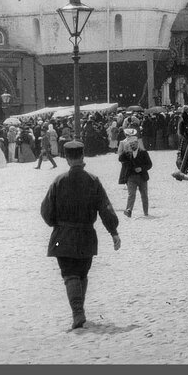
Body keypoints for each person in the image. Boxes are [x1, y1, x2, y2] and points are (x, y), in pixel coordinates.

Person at [39, 141, 122, 330]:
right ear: (83, 156)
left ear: (66, 158)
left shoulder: (58, 181)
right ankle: (79, 310)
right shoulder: (93, 180)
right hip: (87, 235)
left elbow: (46, 211)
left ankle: (77, 313)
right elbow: (106, 209)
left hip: (64, 236)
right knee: (82, 274)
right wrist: (113, 232)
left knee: (70, 275)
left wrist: (56, 224)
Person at [116, 128, 152, 217]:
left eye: (134, 144)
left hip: (142, 177)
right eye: (131, 144)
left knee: (144, 195)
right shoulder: (127, 153)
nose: (132, 146)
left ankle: (146, 212)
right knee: (131, 194)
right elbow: (120, 159)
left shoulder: (143, 153)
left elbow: (149, 164)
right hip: (131, 177)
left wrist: (142, 168)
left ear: (137, 143)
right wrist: (125, 151)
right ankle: (129, 210)